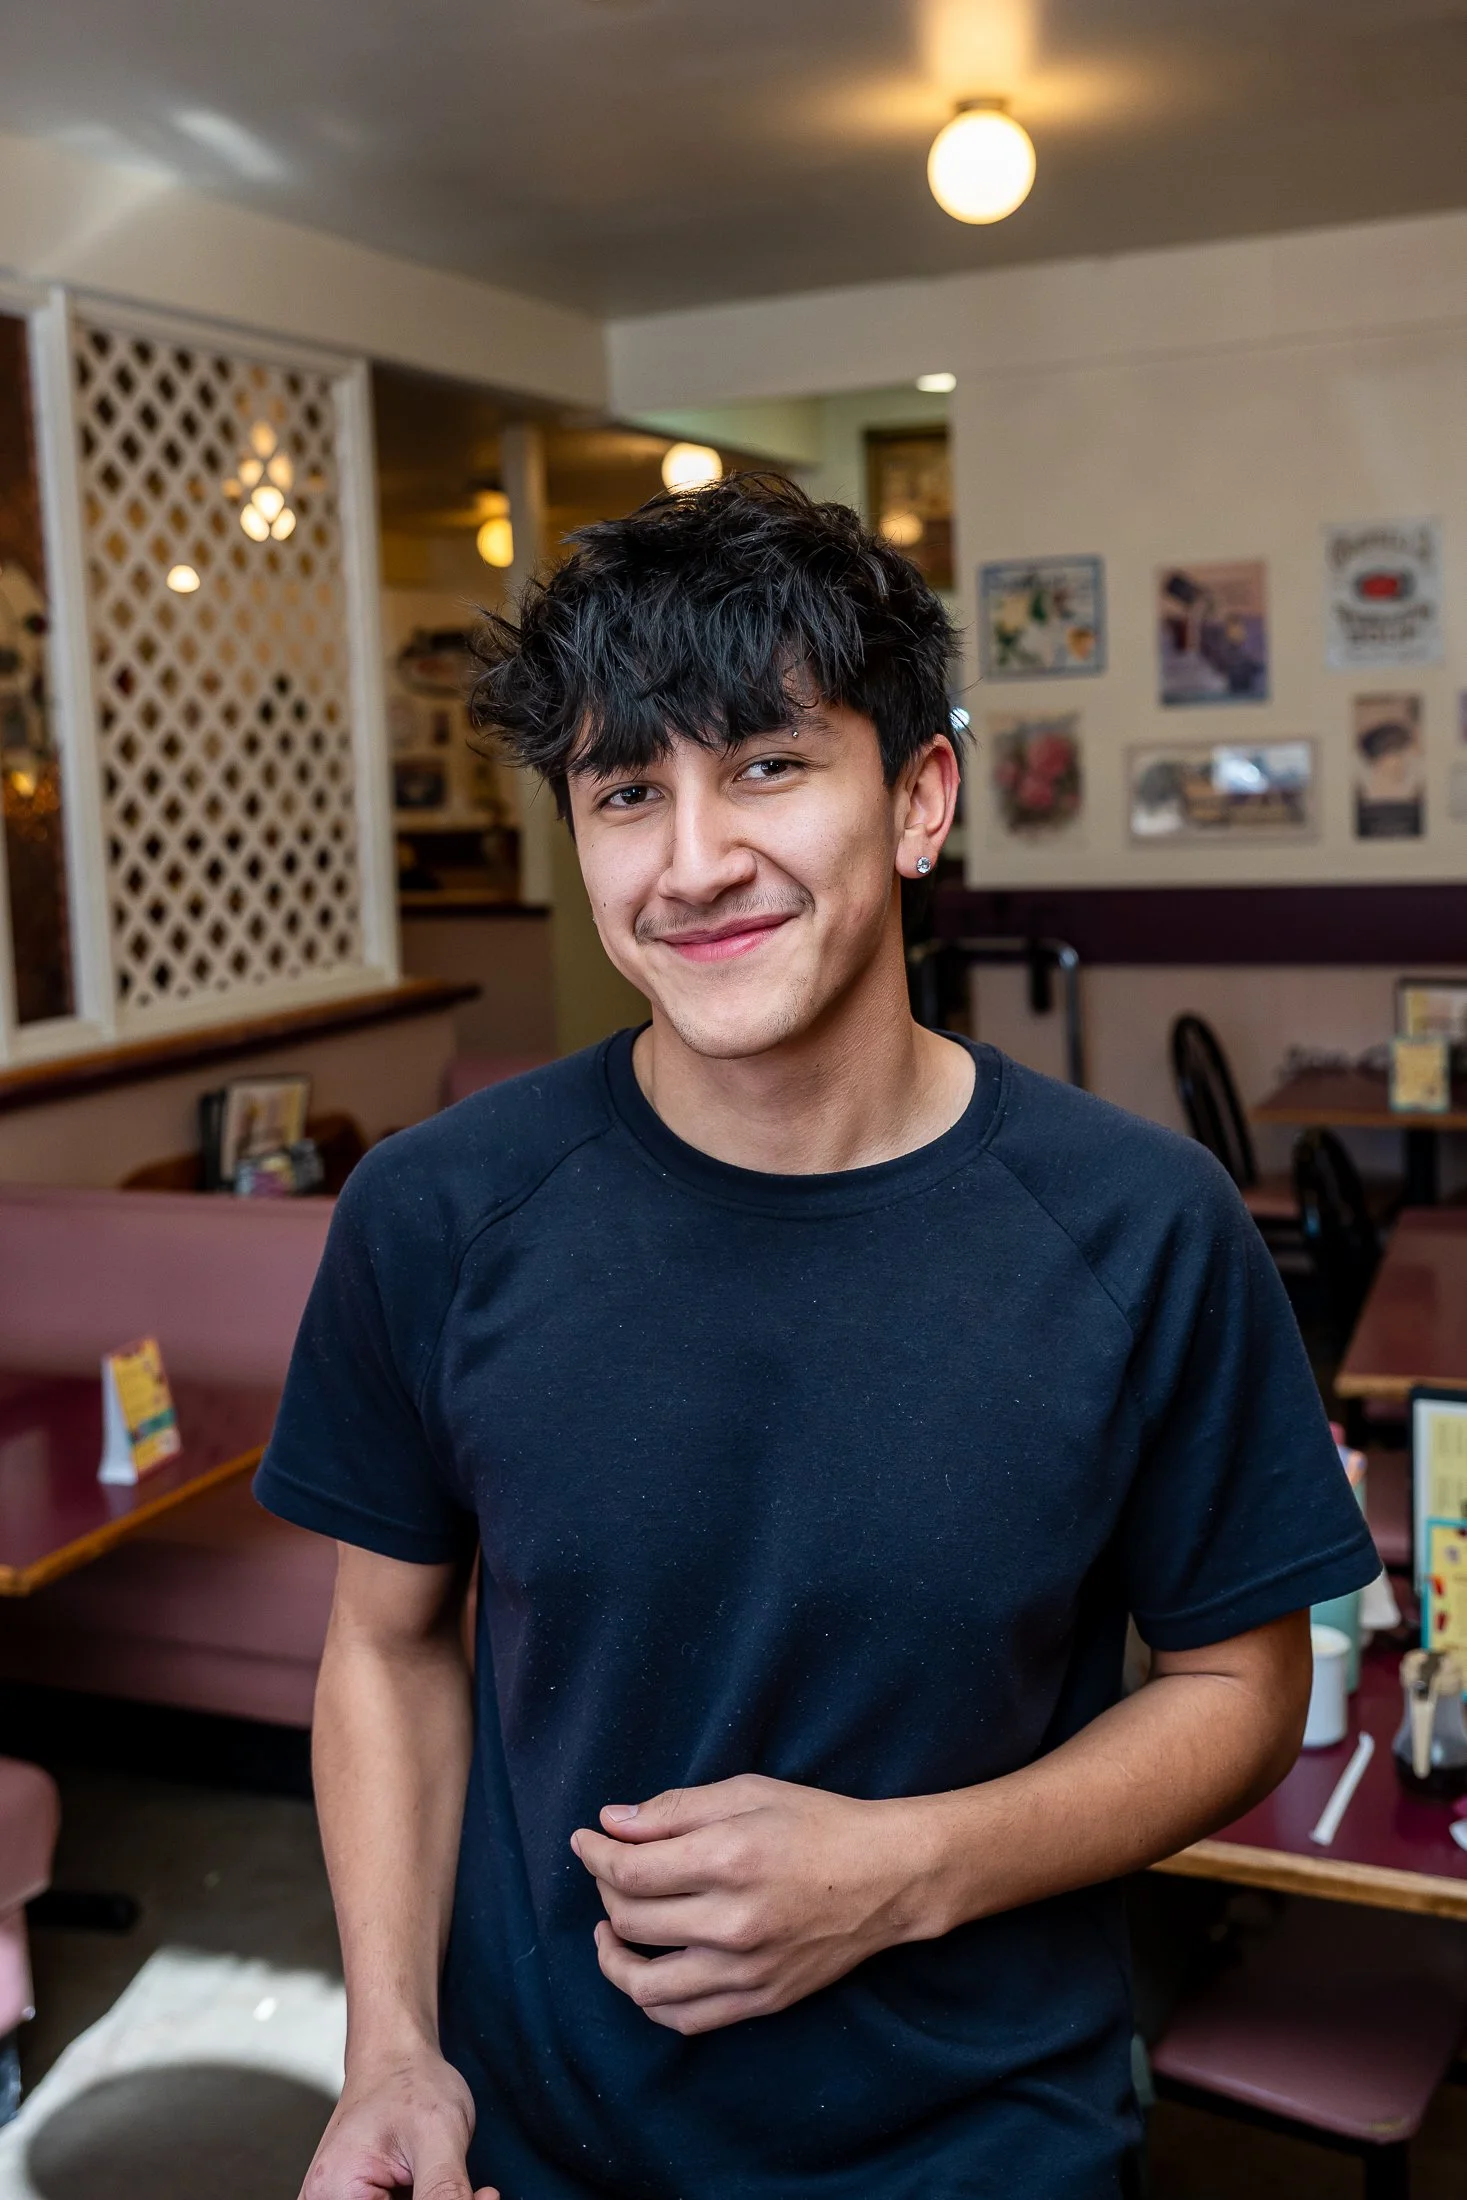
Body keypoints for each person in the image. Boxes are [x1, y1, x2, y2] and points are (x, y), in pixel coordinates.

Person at [257, 476, 1379, 2200]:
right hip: (540, 2140)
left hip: (985, 2143)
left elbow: (1239, 1684)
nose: (694, 861)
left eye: (768, 764)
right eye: (629, 791)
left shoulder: (1142, 1230)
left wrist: (907, 1869)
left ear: (919, 798)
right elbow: (387, 1650)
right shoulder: (436, 1215)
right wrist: (393, 2055)